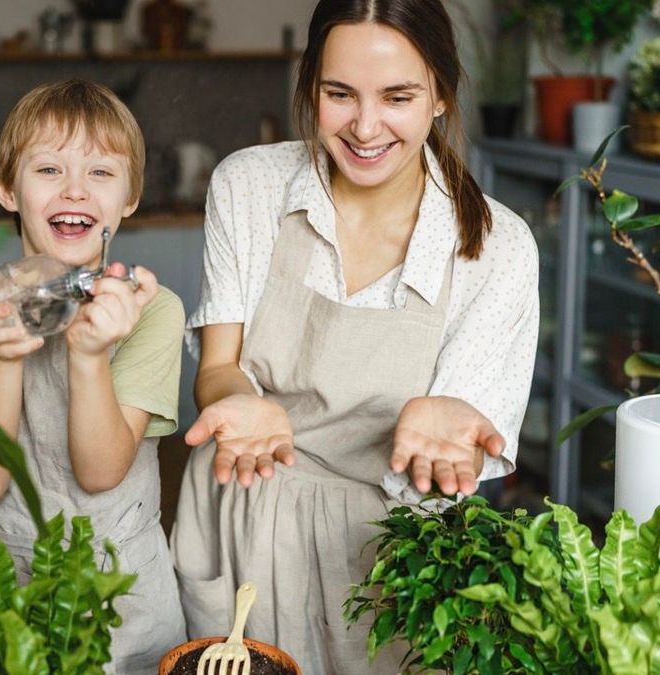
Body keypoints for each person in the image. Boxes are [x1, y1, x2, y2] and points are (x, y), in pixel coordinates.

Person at [170, 0, 539, 672]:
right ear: (310, 86)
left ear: (440, 96)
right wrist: (235, 397)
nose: (365, 127)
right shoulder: (248, 186)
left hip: (389, 553)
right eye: (339, 94)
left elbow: (452, 458)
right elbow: (219, 368)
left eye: (398, 96)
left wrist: (442, 432)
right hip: (244, 517)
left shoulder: (499, 248)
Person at [0, 78, 187, 674]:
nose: (75, 189)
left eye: (101, 172)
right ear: (6, 189)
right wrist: (4, 355)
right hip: (2, 591)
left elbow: (101, 473)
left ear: (129, 199)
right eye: (48, 170)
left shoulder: (154, 311)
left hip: (125, 594)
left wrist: (90, 354)